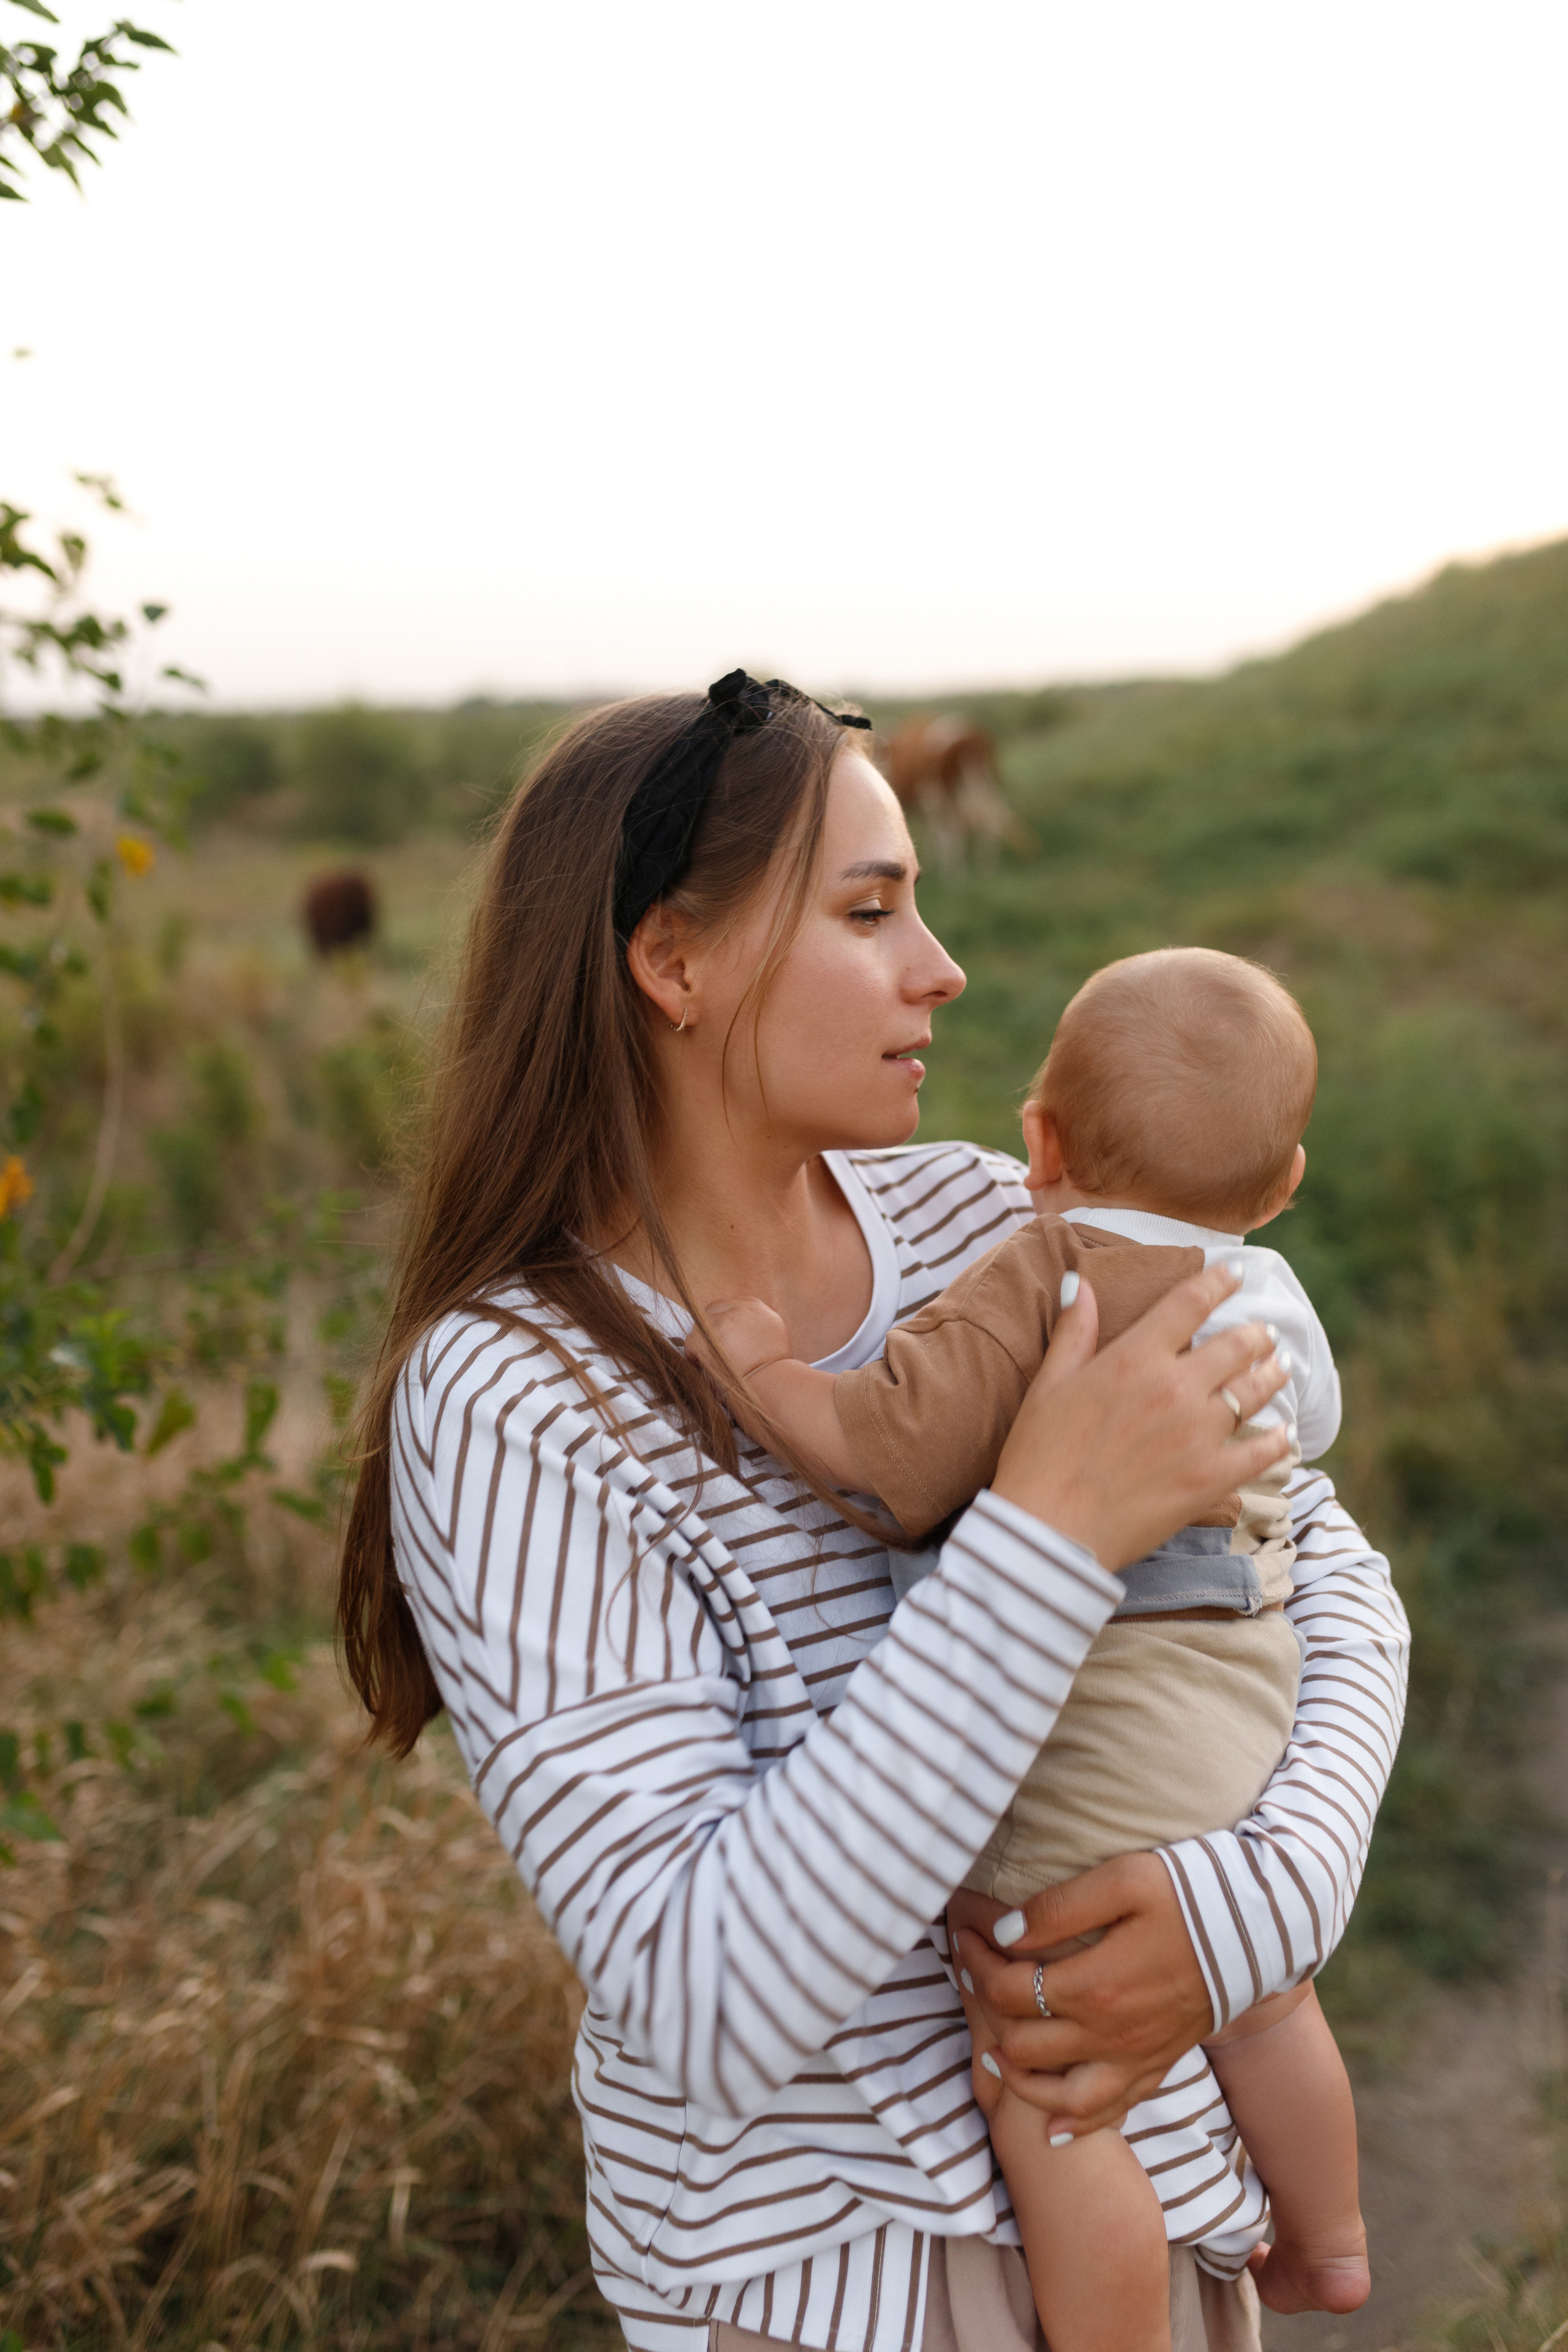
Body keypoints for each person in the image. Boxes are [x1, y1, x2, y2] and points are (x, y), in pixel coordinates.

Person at [337, 674, 1410, 2352]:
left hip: (1170, 2228)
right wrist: (1045, 1540)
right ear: (672, 961)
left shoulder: (996, 1214)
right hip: (835, 2297)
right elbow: (701, 1997)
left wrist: (1239, 1918)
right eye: (869, 909)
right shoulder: (517, 1397)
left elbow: (1330, 1587)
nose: (945, 969)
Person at [690, 948, 1370, 2351]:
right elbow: (1299, 1476)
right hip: (1244, 1715)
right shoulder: (1271, 1297)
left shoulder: (1041, 1268)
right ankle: (1333, 2241)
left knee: (1051, 2101)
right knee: (1264, 1999)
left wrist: (762, 1367)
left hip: (1095, 1748)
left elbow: (884, 1457)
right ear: (1282, 1181)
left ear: (1039, 1142)